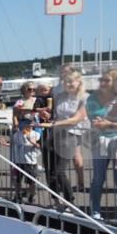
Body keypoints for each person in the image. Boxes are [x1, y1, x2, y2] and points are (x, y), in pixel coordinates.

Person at [39, 69, 88, 206]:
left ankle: (69, 201)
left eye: (71, 81)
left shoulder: (85, 98)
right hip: (53, 134)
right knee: (49, 170)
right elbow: (54, 115)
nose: (68, 84)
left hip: (71, 135)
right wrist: (47, 116)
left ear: (79, 82)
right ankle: (56, 201)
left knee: (59, 171)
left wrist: (55, 123)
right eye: (66, 82)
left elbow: (76, 119)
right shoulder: (59, 96)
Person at [87, 70, 117, 220]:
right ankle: (95, 210)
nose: (102, 82)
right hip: (100, 140)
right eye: (101, 79)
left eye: (107, 80)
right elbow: (95, 119)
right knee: (98, 177)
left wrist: (109, 123)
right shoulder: (93, 98)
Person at [11, 118, 41, 204]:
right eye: (24, 123)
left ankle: (32, 196)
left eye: (28, 123)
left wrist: (32, 141)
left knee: (31, 181)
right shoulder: (17, 134)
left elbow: (38, 145)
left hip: (30, 161)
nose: (26, 126)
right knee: (17, 180)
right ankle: (18, 195)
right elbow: (14, 144)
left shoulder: (36, 134)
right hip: (19, 161)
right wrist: (6, 144)